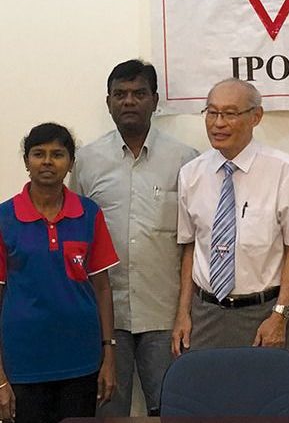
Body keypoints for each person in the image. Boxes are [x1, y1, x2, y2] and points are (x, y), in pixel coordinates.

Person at [70, 59, 198, 416]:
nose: (129, 101)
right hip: (105, 319)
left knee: (173, 410)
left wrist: (184, 312)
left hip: (166, 316)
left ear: (155, 100)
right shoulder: (86, 161)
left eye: (139, 93)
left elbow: (193, 244)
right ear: (108, 101)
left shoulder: (185, 160)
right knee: (108, 412)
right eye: (120, 94)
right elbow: (74, 239)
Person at [172, 78, 289, 354]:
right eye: (212, 112)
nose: (218, 123)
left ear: (256, 117)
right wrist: (183, 313)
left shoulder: (285, 171)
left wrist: (280, 315)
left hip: (262, 315)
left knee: (263, 384)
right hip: (205, 313)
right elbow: (190, 246)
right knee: (205, 383)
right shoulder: (191, 174)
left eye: (229, 113)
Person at [0, 123, 118, 423]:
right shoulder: (4, 218)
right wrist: (0, 377)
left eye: (57, 154)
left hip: (81, 360)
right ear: (27, 161)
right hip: (23, 362)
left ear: (71, 162)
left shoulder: (89, 214)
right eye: (39, 154)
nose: (48, 162)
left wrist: (108, 353)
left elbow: (102, 287)